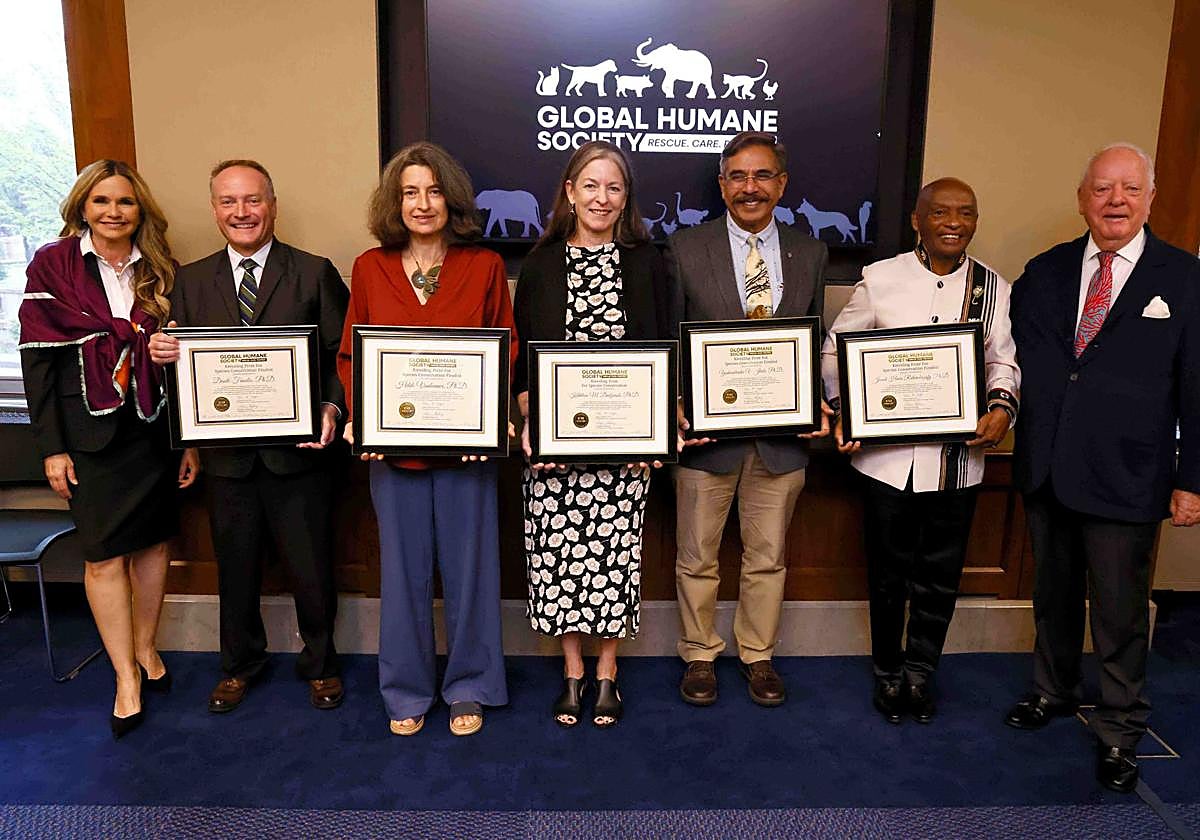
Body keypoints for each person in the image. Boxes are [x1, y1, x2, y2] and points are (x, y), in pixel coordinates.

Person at [1004, 143, 1200, 793]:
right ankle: (1052, 691)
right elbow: (1015, 362)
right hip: (1048, 469)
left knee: (1118, 612)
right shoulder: (1045, 272)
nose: (1116, 201)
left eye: (1129, 189)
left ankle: (1119, 729)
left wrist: (1192, 479)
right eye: (1102, 189)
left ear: (1150, 196)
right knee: (1053, 598)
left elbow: (1198, 389)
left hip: (1130, 476)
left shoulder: (1185, 279)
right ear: (1081, 197)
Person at [148, 160, 348, 714]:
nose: (242, 212)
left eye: (253, 200)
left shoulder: (313, 272)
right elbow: (184, 371)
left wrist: (332, 406)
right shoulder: (190, 280)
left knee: (312, 568)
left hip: (301, 455)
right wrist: (163, 356)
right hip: (227, 458)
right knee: (235, 570)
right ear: (214, 209)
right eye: (229, 202)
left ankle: (321, 664)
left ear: (273, 205)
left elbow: (343, 358)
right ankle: (239, 666)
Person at [822, 178, 1020, 724]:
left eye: (965, 213)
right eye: (941, 212)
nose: (953, 222)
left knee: (939, 576)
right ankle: (887, 673)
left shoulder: (992, 287)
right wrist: (845, 406)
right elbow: (835, 350)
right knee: (888, 577)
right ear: (918, 220)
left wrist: (1001, 408)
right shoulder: (881, 278)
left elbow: (1002, 361)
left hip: (957, 463)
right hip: (886, 463)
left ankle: (920, 674)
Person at [337, 142, 513, 737]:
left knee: (471, 571)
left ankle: (469, 684)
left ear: (453, 199)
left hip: (468, 451)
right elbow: (351, 354)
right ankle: (406, 688)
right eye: (410, 191)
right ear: (395, 200)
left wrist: (487, 425)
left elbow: (505, 347)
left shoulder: (485, 265)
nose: (422, 203)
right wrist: (365, 417)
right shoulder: (369, 267)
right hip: (394, 449)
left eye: (434, 190)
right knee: (402, 574)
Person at [19, 160, 200, 738]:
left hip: (154, 429)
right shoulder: (54, 264)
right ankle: (124, 677)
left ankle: (147, 651)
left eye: (124, 202)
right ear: (82, 207)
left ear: (139, 209)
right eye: (101, 201)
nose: (113, 212)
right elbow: (38, 361)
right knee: (103, 556)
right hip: (88, 436)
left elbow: (185, 359)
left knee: (152, 546)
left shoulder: (162, 269)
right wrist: (52, 448)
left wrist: (187, 437)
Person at [668, 131, 830, 708]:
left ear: (781, 185)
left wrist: (816, 403)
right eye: (737, 176)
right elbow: (670, 344)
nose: (749, 188)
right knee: (697, 556)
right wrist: (676, 407)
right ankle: (699, 654)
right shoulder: (684, 249)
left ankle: (757, 655)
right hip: (706, 440)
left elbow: (809, 344)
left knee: (768, 558)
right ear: (722, 186)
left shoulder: (811, 253)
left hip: (781, 443)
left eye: (762, 176)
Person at [513, 141, 670, 728]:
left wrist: (652, 437)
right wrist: (531, 421)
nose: (601, 198)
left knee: (616, 558)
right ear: (570, 192)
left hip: (625, 446)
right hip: (555, 450)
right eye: (591, 185)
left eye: (614, 188)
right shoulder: (540, 262)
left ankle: (608, 676)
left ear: (625, 198)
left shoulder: (647, 261)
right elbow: (525, 356)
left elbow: (662, 350)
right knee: (557, 563)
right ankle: (571, 675)